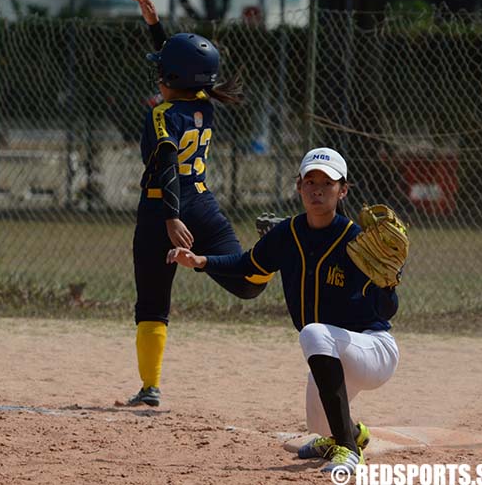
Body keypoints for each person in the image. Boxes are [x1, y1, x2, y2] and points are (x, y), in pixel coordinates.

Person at [167, 147, 401, 475]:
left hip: (372, 350)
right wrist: (201, 261)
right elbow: (248, 263)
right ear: (298, 186)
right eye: (310, 181)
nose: (317, 189)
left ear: (343, 190)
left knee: (313, 332)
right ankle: (352, 434)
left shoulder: (357, 242)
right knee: (319, 424)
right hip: (332, 349)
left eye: (327, 183)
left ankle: (348, 451)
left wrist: (389, 285)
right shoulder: (288, 233)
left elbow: (386, 311)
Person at [125, 0, 268, 408]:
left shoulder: (161, 113)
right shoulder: (206, 105)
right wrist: (157, 30)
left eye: (162, 72)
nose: (157, 78)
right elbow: (188, 69)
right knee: (245, 281)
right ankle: (274, 250)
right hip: (203, 204)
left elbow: (166, 162)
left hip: (160, 210)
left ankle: (150, 387)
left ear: (172, 78)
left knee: (153, 302)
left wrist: (170, 218)